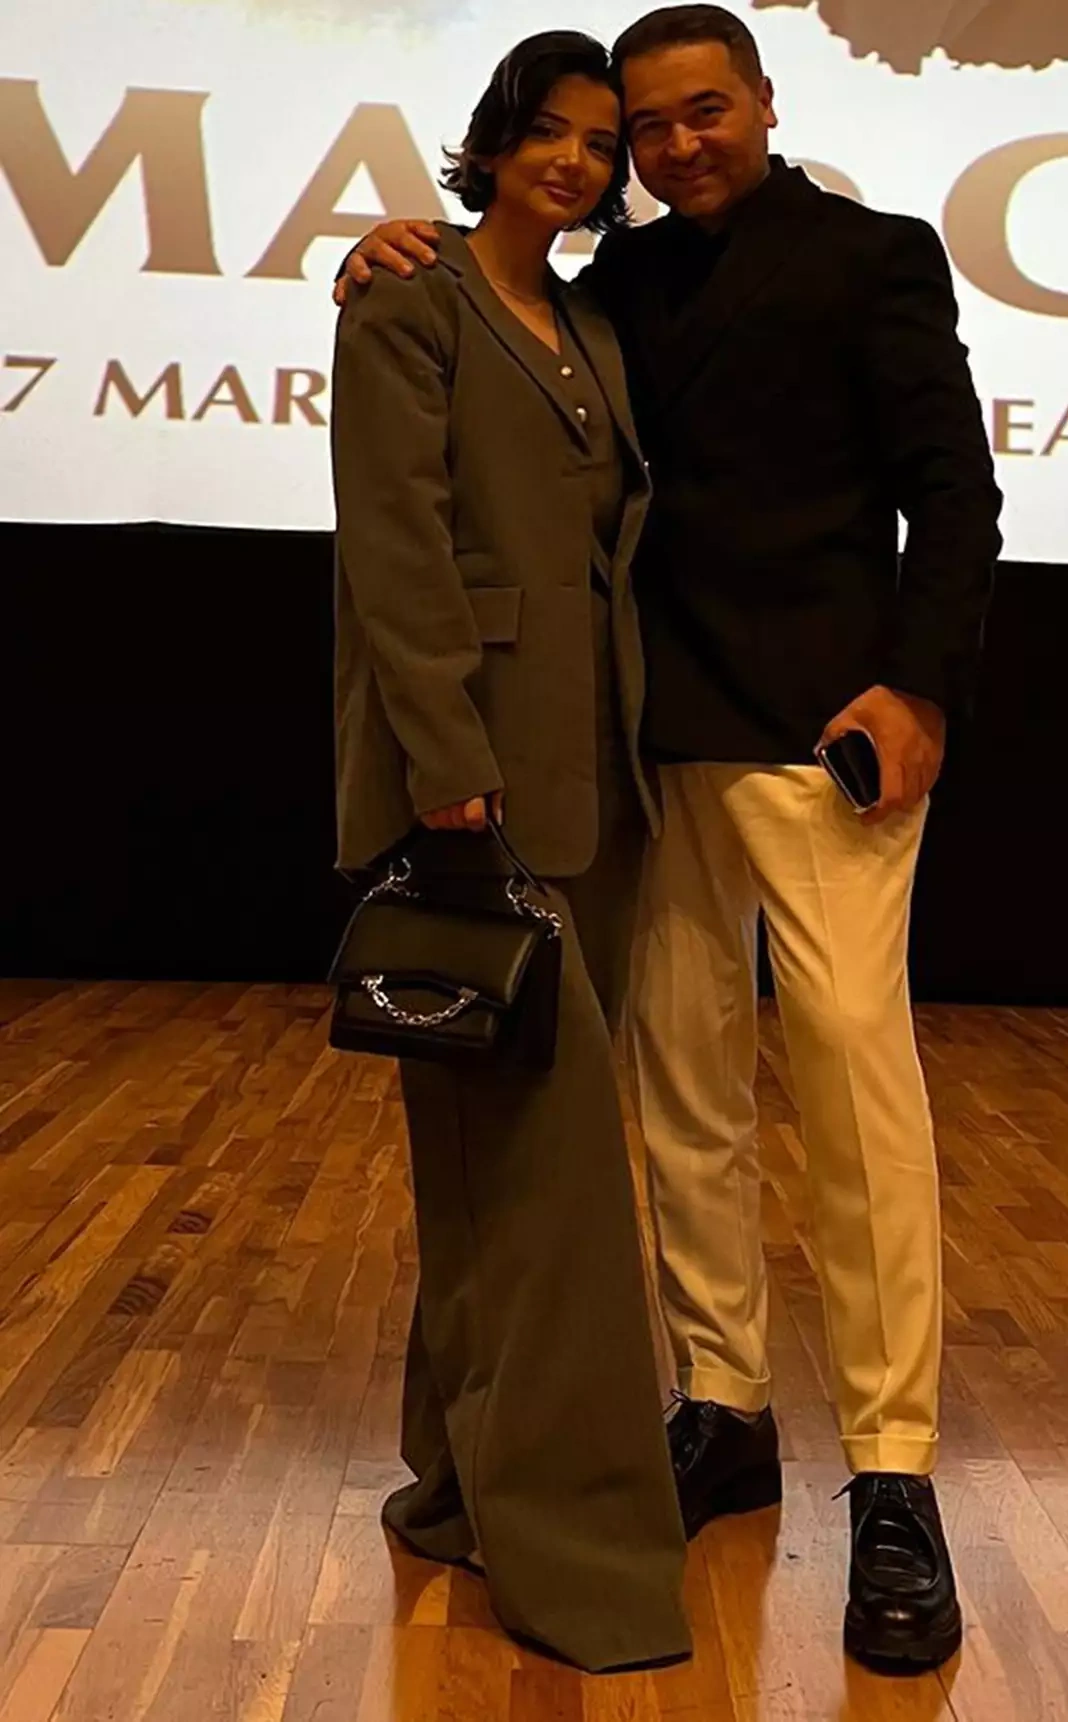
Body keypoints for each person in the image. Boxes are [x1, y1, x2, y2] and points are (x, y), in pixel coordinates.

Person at [336, 3, 1003, 1674]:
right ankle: (722, 1402)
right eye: (647, 126)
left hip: (828, 744)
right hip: (646, 748)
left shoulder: (876, 255)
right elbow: (489, 320)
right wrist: (378, 250)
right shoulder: (614, 284)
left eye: (704, 112)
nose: (674, 144)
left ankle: (895, 1471)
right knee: (681, 1093)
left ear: (765, 104)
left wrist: (921, 682)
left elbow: (956, 489)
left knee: (854, 1087)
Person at [330, 29, 691, 1674]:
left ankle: (454, 1485)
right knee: (546, 1186)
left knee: (501, 1170)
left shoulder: (594, 327)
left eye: (599, 143)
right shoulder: (408, 301)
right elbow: (396, 542)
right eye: (548, 131)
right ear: (491, 142)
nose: (575, 160)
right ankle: (579, 1551)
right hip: (474, 781)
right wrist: (447, 766)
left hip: (597, 784)